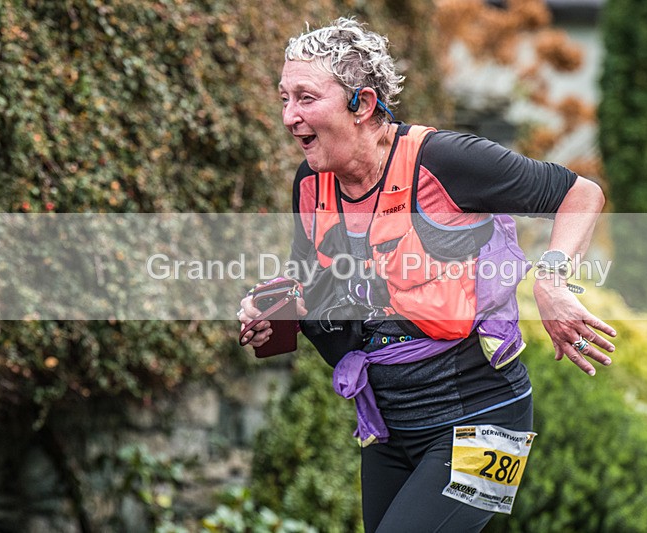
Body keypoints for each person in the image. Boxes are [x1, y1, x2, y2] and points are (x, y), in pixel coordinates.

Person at [239, 17, 617, 533]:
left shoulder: (444, 161)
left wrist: (550, 279)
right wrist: (276, 310)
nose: (289, 116)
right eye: (284, 98)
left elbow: (581, 193)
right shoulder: (311, 183)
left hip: (483, 418)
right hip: (391, 428)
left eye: (305, 98)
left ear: (362, 104)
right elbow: (310, 280)